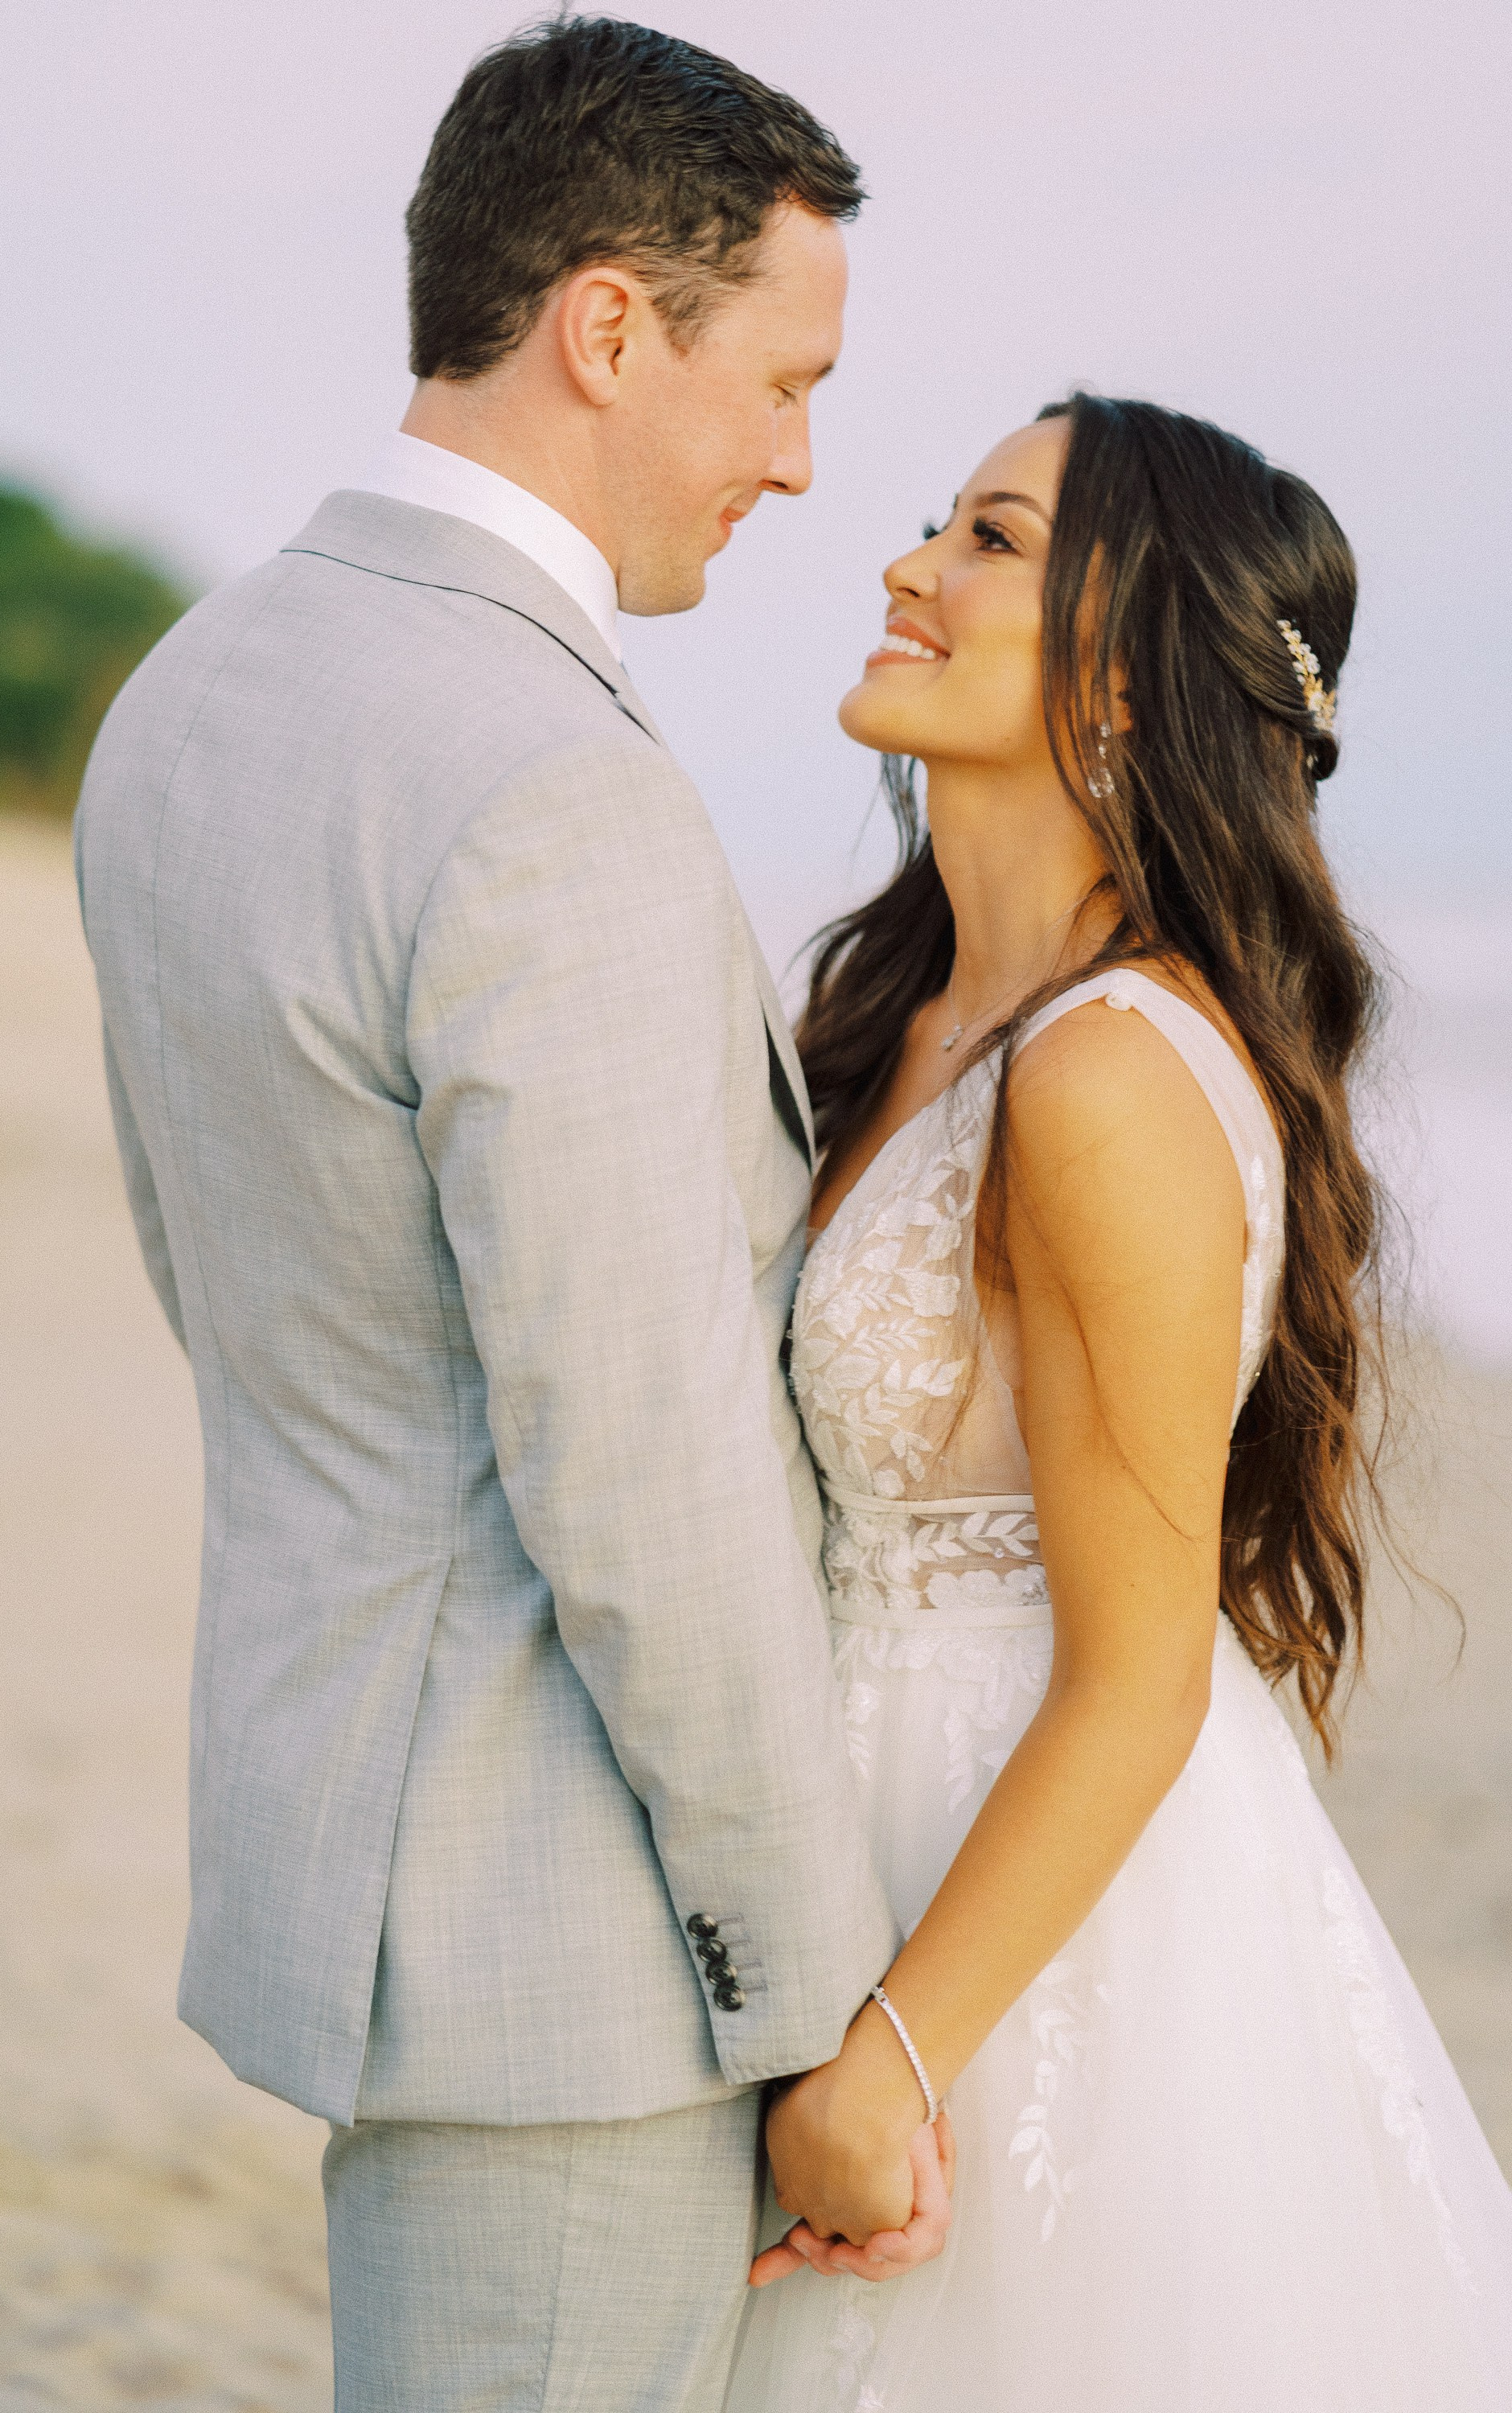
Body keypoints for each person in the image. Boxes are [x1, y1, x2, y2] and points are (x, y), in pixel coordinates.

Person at [74, 20, 948, 2410]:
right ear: (602, 325)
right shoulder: (548, 783)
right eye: (781, 378)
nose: (800, 459)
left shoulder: (189, 696)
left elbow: (227, 1279)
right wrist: (814, 1995)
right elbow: (638, 1472)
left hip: (353, 1868)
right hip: (574, 1970)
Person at [727, 393, 1512, 2408]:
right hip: (853, 1825)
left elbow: (1141, 1668)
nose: (907, 567)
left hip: (1030, 1906)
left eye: (988, 538)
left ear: (1118, 661)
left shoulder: (1100, 1078)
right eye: (939, 526)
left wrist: (896, 2053)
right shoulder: (895, 1016)